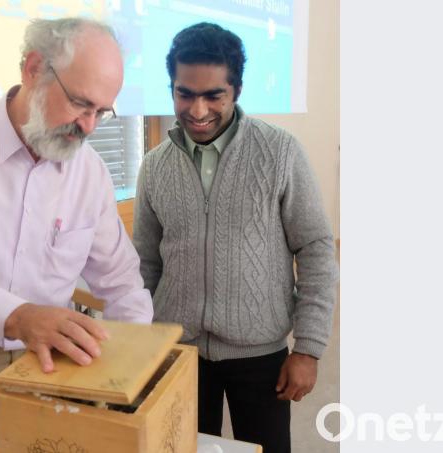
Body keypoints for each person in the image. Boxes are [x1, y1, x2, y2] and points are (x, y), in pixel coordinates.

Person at [0, 17, 153, 424]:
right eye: (80, 103)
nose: (88, 126)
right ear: (34, 68)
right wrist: (20, 316)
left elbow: (121, 281)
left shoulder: (89, 173)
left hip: (52, 350)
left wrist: (139, 358)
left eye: (101, 112)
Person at [132, 22, 338, 453]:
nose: (197, 108)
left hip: (259, 352)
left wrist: (309, 348)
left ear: (237, 91)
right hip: (179, 352)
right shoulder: (154, 166)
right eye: (184, 93)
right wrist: (141, 344)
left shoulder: (279, 152)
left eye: (213, 95)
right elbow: (145, 264)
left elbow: (316, 248)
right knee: (180, 448)